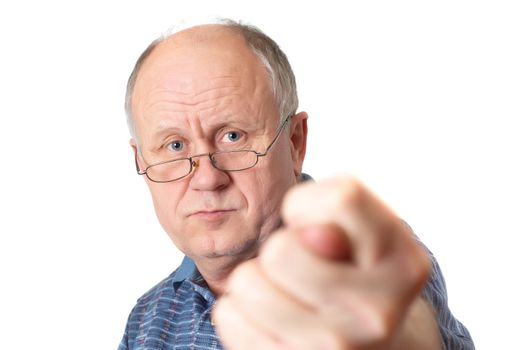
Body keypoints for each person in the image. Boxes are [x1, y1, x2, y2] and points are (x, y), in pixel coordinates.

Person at [118, 19, 474, 349]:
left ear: (295, 142)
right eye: (175, 146)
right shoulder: (148, 319)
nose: (208, 179)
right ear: (141, 161)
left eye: (232, 136)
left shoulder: (371, 265)